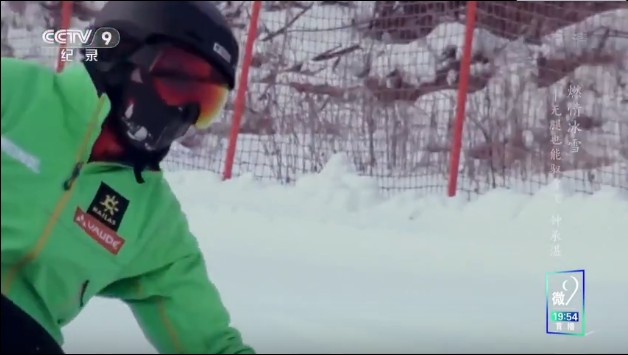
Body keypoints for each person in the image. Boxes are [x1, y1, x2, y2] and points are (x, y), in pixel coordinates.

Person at [1, 1, 255, 354]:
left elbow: (209, 343)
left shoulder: (151, 219)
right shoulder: (15, 94)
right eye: (179, 83)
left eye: (205, 102)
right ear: (121, 56)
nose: (185, 111)